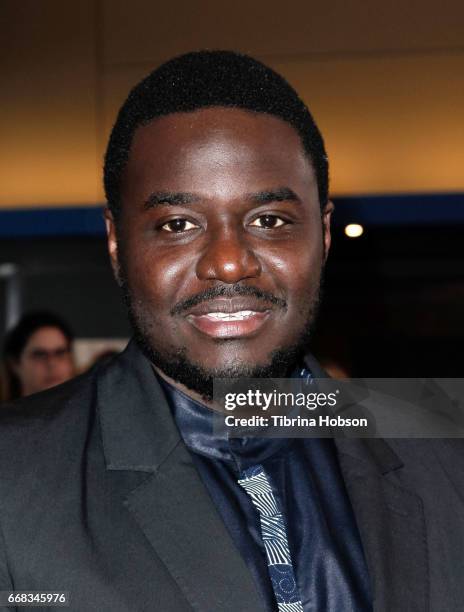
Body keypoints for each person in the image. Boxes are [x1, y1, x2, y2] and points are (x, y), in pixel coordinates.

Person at [0, 51, 462, 612]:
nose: (227, 261)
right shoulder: (14, 480)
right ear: (118, 244)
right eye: (177, 225)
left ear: (323, 232)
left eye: (269, 220)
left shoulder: (443, 448)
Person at [2, 310, 75, 401]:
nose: (52, 363)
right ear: (14, 364)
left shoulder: (90, 413)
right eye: (40, 355)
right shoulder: (5, 415)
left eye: (60, 353)